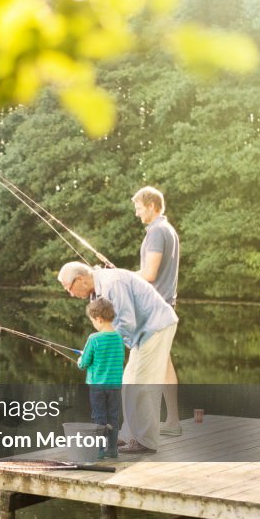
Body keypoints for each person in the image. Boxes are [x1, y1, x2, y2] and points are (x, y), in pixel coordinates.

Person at [57, 262, 178, 454]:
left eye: (68, 288)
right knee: (128, 381)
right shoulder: (99, 289)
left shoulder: (113, 283)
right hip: (143, 332)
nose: (70, 294)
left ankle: (146, 442)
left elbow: (127, 322)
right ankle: (130, 435)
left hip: (155, 327)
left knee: (140, 385)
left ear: (79, 279)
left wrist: (104, 348)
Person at [132, 186, 181, 436]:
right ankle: (172, 421)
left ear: (151, 206)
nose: (137, 213)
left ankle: (141, 427)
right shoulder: (168, 230)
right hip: (165, 307)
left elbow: (149, 274)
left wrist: (120, 276)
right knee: (164, 365)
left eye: (139, 208)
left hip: (154, 310)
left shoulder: (157, 232)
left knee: (142, 368)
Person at [77, 297, 124, 459]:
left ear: (99, 319)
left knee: (99, 417)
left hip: (97, 387)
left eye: (93, 321)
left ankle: (99, 451)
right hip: (115, 386)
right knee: (113, 416)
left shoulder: (94, 338)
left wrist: (80, 358)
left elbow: (83, 364)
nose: (94, 325)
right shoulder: (119, 338)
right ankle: (112, 449)